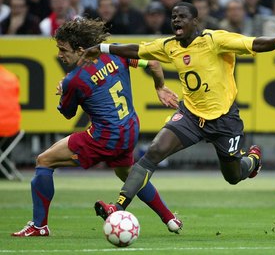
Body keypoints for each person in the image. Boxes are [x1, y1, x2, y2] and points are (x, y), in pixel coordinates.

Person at [78, 2, 275, 219]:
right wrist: (102, 48)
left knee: (234, 176)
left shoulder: (215, 40)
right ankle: (117, 207)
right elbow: (138, 50)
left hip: (224, 120)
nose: (176, 20)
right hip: (190, 116)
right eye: (173, 17)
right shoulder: (170, 46)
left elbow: (253, 43)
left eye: (182, 17)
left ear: (195, 21)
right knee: (154, 151)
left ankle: (253, 160)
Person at [11, 17, 182, 237]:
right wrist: (160, 87)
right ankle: (170, 219)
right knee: (129, 174)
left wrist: (63, 90)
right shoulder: (115, 53)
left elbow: (67, 113)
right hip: (129, 129)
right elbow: (153, 63)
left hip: (104, 137)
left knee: (44, 160)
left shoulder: (74, 80)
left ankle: (39, 226)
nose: (59, 55)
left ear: (81, 50)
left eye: (63, 49)